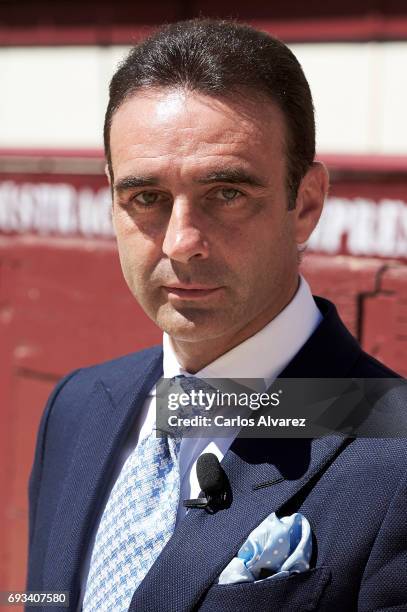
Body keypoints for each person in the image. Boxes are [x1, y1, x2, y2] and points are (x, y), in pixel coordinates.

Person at [26, 18, 407, 612]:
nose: (181, 241)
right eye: (146, 198)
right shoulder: (78, 405)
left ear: (304, 204)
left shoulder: (395, 452)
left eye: (227, 193)